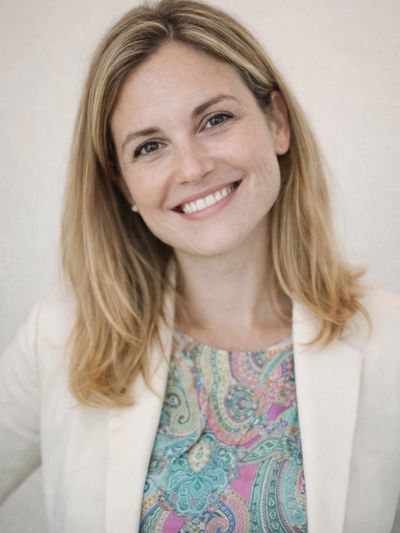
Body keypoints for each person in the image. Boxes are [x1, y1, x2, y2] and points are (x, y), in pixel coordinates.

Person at [0, 0, 399, 531]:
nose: (192, 167)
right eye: (150, 147)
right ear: (124, 185)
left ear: (277, 123)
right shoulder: (58, 339)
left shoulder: (390, 338)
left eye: (215, 120)